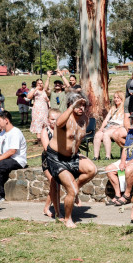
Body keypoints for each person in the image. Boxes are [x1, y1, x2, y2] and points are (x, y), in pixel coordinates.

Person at [46, 91, 97, 228]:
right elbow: (57, 123)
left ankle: (74, 189)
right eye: (78, 105)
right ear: (70, 105)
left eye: (83, 105)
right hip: (56, 158)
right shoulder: (64, 119)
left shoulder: (84, 119)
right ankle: (68, 218)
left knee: (92, 169)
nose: (81, 108)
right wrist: (71, 106)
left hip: (73, 156)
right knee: (72, 191)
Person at [106, 109, 133, 207]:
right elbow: (125, 149)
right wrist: (122, 162)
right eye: (132, 119)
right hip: (128, 160)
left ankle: (127, 195)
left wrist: (130, 163)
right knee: (109, 169)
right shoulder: (131, 131)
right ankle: (117, 194)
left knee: (129, 170)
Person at [0, 111, 27, 204]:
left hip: (17, 160)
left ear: (6, 120)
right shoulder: (2, 133)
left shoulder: (15, 132)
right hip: (7, 158)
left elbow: (12, 151)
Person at [41, 109, 62, 220]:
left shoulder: (62, 130)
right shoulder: (45, 131)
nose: (54, 121)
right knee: (55, 184)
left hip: (59, 161)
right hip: (48, 161)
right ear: (48, 120)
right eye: (52, 119)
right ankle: (59, 213)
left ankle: (46, 208)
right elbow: (47, 148)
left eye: (57, 119)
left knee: (54, 186)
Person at [93, 91, 125, 160]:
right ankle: (96, 156)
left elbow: (126, 122)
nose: (116, 99)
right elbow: (106, 120)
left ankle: (108, 156)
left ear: (122, 99)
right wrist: (101, 128)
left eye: (118, 98)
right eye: (115, 98)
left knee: (106, 134)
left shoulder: (125, 109)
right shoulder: (112, 108)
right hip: (109, 126)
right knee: (97, 135)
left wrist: (117, 127)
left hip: (118, 127)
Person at [27, 76, 50, 144]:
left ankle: (45, 138)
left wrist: (48, 77)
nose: (40, 84)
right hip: (37, 109)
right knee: (37, 123)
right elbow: (28, 97)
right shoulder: (34, 90)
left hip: (44, 109)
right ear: (36, 84)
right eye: (38, 83)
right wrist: (35, 89)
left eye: (41, 83)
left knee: (45, 123)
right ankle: (39, 139)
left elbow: (47, 99)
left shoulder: (44, 91)